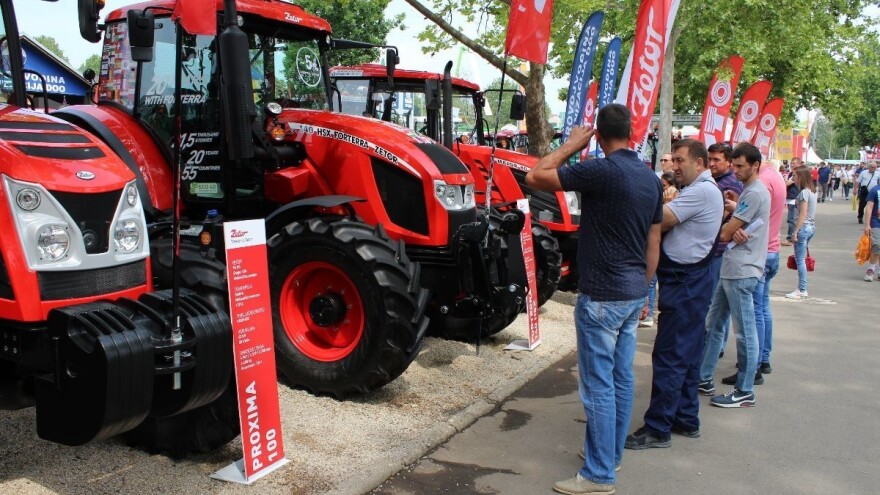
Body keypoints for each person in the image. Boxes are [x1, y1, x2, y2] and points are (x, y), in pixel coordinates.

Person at [526, 103, 662, 495]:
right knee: (620, 380)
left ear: (598, 135)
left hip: (602, 294)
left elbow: (535, 175)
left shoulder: (601, 170)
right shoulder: (650, 179)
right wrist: (643, 289)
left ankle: (599, 474)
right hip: (632, 292)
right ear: (633, 133)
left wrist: (571, 144)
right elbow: (653, 242)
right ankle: (609, 455)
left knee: (599, 387)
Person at [625, 139, 722, 450]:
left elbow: (661, 219)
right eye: (673, 160)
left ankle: (658, 428)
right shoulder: (702, 190)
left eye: (680, 161)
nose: (674, 166)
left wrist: (650, 204)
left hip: (686, 283)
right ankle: (685, 417)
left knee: (670, 355)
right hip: (689, 281)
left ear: (699, 162)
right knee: (687, 354)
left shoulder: (701, 191)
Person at [698, 143, 770, 408]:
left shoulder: (755, 193)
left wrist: (730, 224)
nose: (735, 170)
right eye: (735, 165)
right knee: (714, 323)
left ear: (755, 165)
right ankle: (703, 378)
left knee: (744, 332)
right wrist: (732, 217)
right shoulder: (750, 192)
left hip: (742, 269)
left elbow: (726, 233)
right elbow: (731, 230)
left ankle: (745, 390)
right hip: (733, 268)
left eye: (740, 166)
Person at [705, 142, 743, 353]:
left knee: (716, 305)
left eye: (716, 160)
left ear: (728, 162)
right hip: (714, 249)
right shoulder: (717, 181)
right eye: (710, 159)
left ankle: (715, 346)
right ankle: (715, 344)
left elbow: (721, 219)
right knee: (716, 303)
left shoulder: (730, 185)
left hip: (720, 250)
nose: (712, 163)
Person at [786, 167, 817, 298]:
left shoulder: (804, 192)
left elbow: (802, 214)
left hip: (803, 227)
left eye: (794, 176)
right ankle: (802, 288)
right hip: (810, 227)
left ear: (801, 177)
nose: (793, 178)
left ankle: (802, 289)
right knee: (801, 258)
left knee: (800, 260)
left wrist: (795, 231)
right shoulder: (812, 191)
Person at [861, 181, 880, 282]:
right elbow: (869, 207)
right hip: (876, 222)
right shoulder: (875, 190)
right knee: (877, 245)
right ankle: (871, 269)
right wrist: (867, 225)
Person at [782, 158, 803, 246]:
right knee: (793, 219)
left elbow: (786, 183)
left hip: (794, 198)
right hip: (791, 198)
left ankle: (790, 238)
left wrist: (785, 182)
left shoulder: (797, 173)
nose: (792, 165)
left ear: (799, 164)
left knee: (792, 220)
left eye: (794, 163)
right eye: (791, 163)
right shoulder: (792, 173)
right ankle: (794, 236)